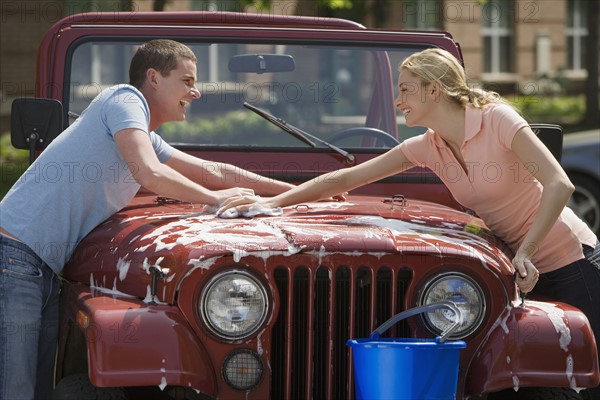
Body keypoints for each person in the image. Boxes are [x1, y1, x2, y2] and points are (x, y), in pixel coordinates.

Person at [219, 48, 600, 398]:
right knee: (542, 381)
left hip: (569, 259)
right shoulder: (428, 145)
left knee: (584, 376)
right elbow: (346, 179)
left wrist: (528, 252)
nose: (398, 101)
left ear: (434, 90)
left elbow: (559, 183)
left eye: (405, 90)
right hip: (517, 268)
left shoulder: (496, 119)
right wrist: (272, 201)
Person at [0, 39, 293, 400]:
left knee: (36, 390)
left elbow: (214, 170)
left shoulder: (145, 136)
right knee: (14, 389)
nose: (196, 92)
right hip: (13, 258)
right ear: (153, 77)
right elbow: (149, 173)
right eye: (187, 81)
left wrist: (292, 192)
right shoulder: (123, 100)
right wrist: (216, 200)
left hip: (38, 266)